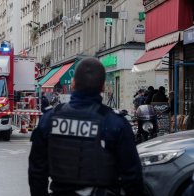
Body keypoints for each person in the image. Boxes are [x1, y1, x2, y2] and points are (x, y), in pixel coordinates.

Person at [28, 57, 144, 196]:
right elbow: (132, 177)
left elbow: (37, 172)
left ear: (73, 83)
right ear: (103, 87)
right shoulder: (116, 124)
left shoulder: (49, 120)